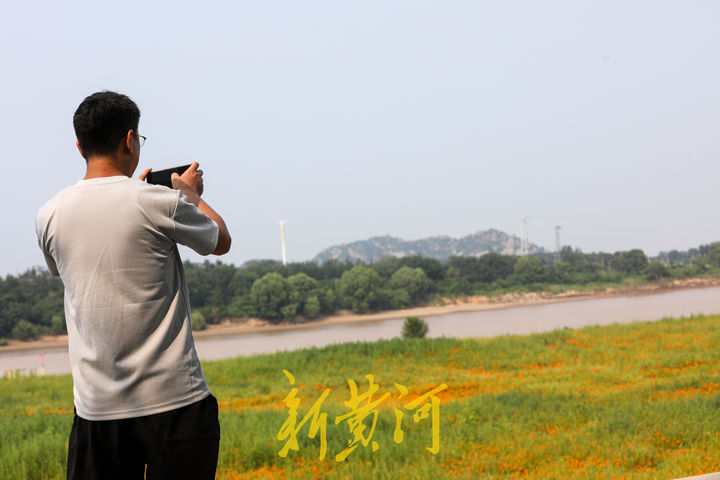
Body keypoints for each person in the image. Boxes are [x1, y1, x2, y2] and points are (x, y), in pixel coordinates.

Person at [35, 91, 231, 480]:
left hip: (96, 409)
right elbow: (220, 241)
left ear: (79, 146)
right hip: (176, 402)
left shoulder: (49, 214)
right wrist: (187, 195)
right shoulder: (159, 201)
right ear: (129, 140)